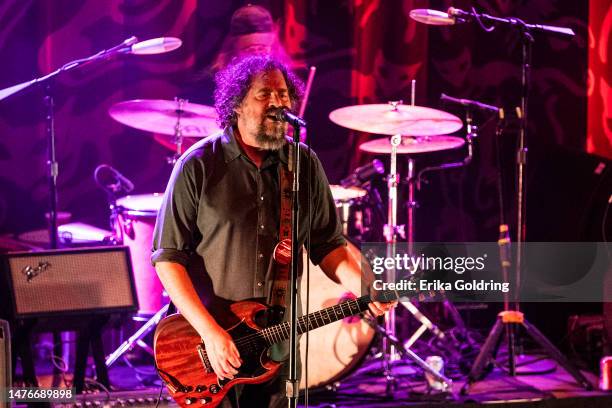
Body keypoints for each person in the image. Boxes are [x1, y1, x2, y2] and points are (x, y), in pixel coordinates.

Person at [151, 55, 395, 408]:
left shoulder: (302, 163)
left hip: (276, 345)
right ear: (236, 104)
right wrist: (210, 332)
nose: (278, 102)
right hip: (207, 343)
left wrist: (366, 287)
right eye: (265, 94)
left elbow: (328, 244)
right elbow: (168, 259)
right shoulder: (199, 165)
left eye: (283, 94)